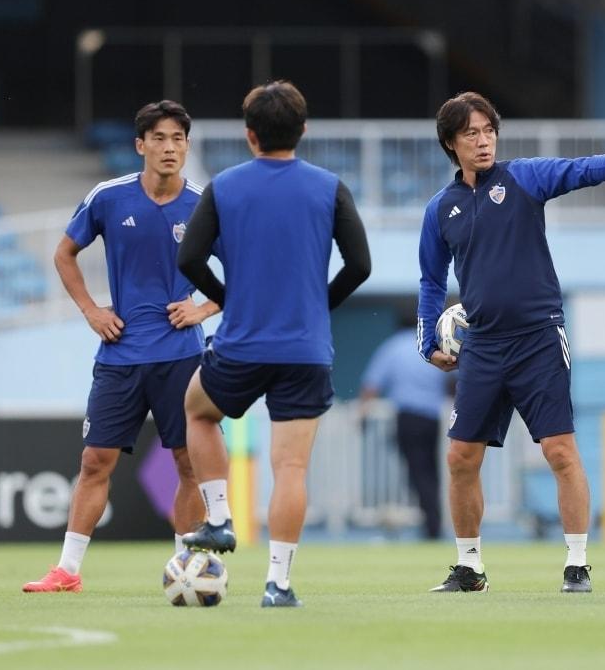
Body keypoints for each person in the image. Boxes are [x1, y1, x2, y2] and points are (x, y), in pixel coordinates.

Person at [417, 91, 605, 594]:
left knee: (560, 451)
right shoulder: (440, 209)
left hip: (538, 339)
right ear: (451, 142)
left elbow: (577, 170)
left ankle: (577, 563)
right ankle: (470, 568)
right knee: (460, 458)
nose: (484, 140)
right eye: (471, 133)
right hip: (482, 347)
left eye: (489, 130)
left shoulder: (523, 177)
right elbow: (429, 280)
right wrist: (428, 343)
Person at [176, 80, 371, 608]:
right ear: (302, 131)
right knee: (291, 470)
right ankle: (278, 584)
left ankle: (218, 517)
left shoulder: (224, 187)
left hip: (241, 345)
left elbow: (189, 259)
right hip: (305, 352)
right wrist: (318, 305)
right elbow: (361, 266)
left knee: (197, 410)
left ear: (250, 135)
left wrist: (228, 297)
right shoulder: (330, 188)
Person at [24, 100, 218, 593]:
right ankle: (67, 570)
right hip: (121, 354)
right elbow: (65, 253)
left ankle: (186, 570)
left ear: (187, 146)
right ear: (140, 146)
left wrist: (202, 309)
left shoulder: (203, 203)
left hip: (181, 356)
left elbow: (244, 268)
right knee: (94, 461)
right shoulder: (109, 197)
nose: (169, 147)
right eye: (159, 138)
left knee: (186, 464)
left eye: (178, 138)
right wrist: (91, 310)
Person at [360, 323, 449, 539]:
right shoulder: (435, 347)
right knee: (431, 470)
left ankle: (431, 525)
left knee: (417, 471)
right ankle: (434, 522)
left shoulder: (394, 347)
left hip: (408, 417)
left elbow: (372, 384)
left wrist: (362, 414)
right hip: (432, 418)